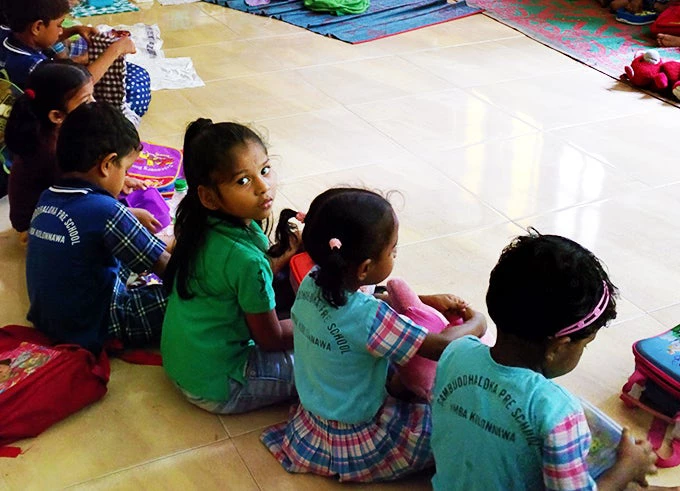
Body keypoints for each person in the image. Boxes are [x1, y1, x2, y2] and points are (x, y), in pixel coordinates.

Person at [261, 187, 487, 482]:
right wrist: (478, 323)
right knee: (448, 427)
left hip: (313, 419)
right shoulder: (371, 319)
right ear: (365, 267)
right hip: (356, 435)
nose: (395, 255)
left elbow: (370, 298)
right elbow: (441, 347)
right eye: (393, 250)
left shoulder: (312, 282)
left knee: (392, 364)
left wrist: (425, 300)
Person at [430, 231, 662, 491]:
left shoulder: (456, 353)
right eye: (585, 344)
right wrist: (626, 468)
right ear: (557, 347)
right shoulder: (557, 412)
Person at [161, 119, 299, 415]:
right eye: (243, 181)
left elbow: (239, 276)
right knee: (334, 355)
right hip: (219, 385)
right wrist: (321, 324)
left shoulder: (197, 224)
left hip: (184, 364)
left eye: (264, 170)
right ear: (209, 197)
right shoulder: (246, 261)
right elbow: (271, 338)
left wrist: (286, 254)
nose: (264, 187)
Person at [25, 102, 170, 354]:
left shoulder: (47, 197)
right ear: (107, 164)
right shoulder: (106, 211)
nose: (126, 177)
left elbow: (84, 222)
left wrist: (129, 215)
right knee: (190, 298)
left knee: (114, 254)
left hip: (48, 319)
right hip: (95, 327)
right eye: (125, 169)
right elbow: (167, 267)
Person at [5, 60, 159, 242]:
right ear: (57, 116)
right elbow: (83, 203)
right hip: (36, 226)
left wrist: (120, 177)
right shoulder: (52, 150)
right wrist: (128, 214)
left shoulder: (59, 132)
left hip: (52, 207)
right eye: (86, 101)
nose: (93, 104)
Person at [0, 0, 149, 118]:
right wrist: (115, 50)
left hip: (49, 91)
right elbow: (80, 85)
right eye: (59, 25)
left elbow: (39, 40)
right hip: (49, 111)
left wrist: (73, 30)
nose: (60, 31)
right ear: (37, 27)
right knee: (134, 89)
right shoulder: (33, 66)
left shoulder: (8, 37)